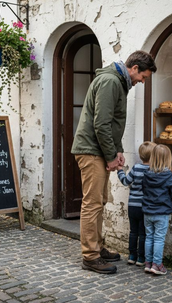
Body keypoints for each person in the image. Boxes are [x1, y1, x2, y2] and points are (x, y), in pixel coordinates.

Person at [71, 51, 157, 274]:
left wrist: (117, 151)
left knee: (99, 201)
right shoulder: (110, 81)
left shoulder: (117, 81)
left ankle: (97, 248)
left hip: (99, 149)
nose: (142, 82)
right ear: (134, 68)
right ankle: (90, 256)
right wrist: (110, 156)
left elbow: (111, 123)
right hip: (91, 150)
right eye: (143, 77)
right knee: (92, 203)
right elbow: (101, 124)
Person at [142, 144, 172, 275]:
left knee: (149, 237)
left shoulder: (146, 174)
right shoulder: (169, 176)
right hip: (161, 212)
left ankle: (148, 263)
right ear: (168, 159)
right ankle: (157, 264)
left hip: (147, 211)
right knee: (159, 238)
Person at [117, 141, 156, 267]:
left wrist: (120, 170)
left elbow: (125, 181)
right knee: (143, 233)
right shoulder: (154, 170)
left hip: (132, 206)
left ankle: (131, 256)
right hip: (144, 206)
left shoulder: (136, 168)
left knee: (133, 232)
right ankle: (141, 258)